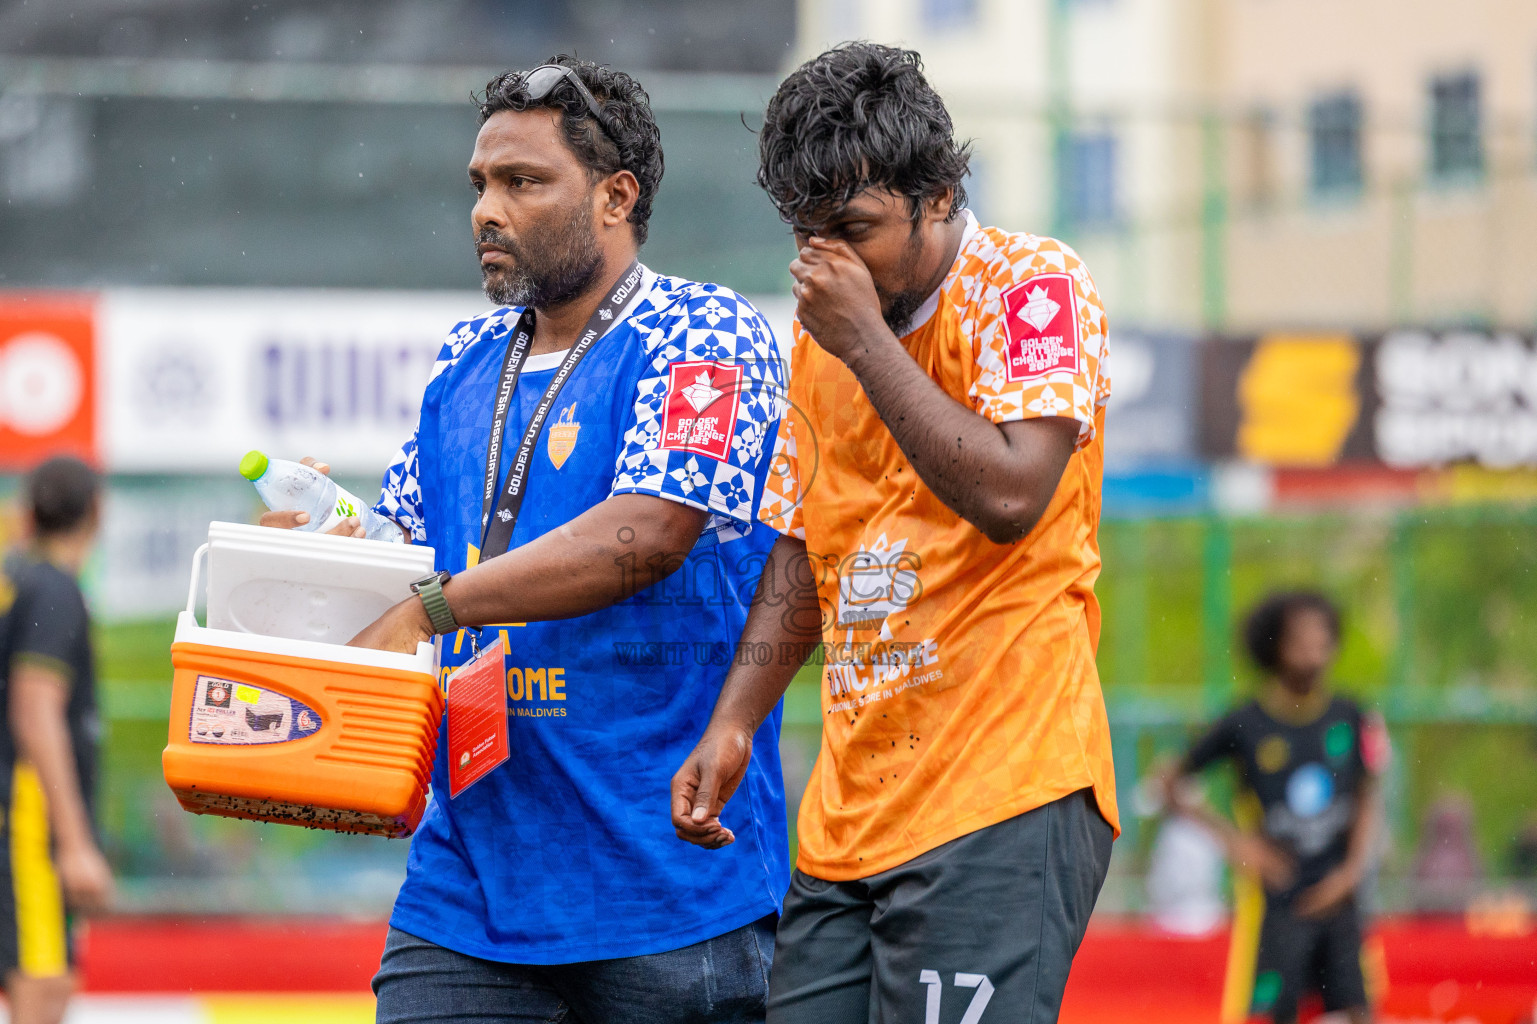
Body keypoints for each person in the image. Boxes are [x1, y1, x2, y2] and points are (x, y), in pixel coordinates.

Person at [261, 56, 789, 1023]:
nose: (486, 212)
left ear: (615, 197)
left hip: (664, 880)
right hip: (467, 887)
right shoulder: (465, 358)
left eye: (523, 182)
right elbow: (407, 549)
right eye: (479, 184)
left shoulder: (703, 332)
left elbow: (650, 531)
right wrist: (321, 546)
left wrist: (434, 606)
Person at [671, 42, 1118, 1023]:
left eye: (855, 229)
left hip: (1002, 790)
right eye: (807, 234)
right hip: (850, 816)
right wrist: (734, 720)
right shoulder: (819, 343)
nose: (827, 262)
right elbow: (804, 541)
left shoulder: (1031, 284)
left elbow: (1012, 494)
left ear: (940, 194)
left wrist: (867, 340)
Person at [1164, 591, 1386, 1024]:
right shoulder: (1245, 722)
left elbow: (1367, 795)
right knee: (1271, 1014)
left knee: (1358, 1012)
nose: (1314, 647)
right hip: (1278, 902)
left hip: (1341, 898)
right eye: (1300, 637)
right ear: (1273, 645)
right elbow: (1170, 781)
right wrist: (1238, 845)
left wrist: (1352, 871)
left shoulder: (1350, 714)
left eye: (1322, 635)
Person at [0, 457, 113, 1024]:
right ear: (96, 512)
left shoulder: (15, 579)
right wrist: (74, 843)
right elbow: (35, 709)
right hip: (27, 820)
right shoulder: (55, 590)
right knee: (43, 984)